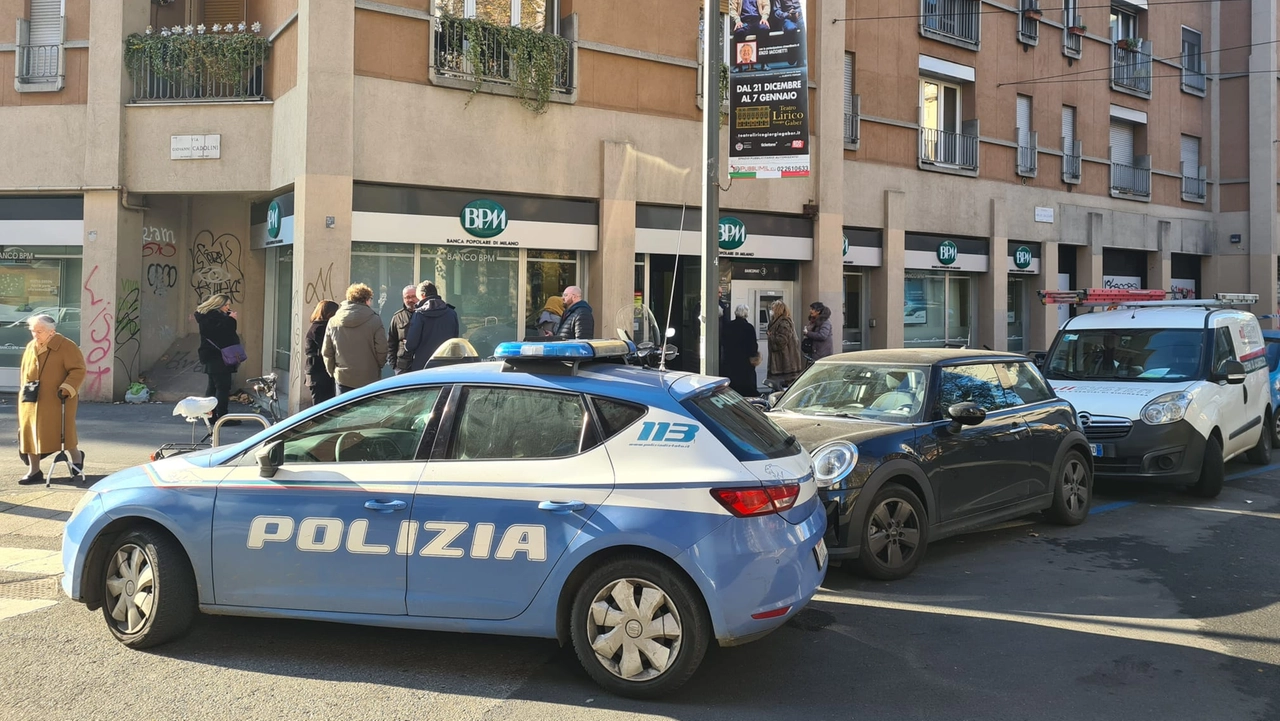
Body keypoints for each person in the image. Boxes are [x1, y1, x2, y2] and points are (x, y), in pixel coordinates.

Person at [18, 314, 86, 485]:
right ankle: (34, 471)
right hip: (31, 398)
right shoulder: (30, 347)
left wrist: (67, 388)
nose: (35, 334)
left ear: (51, 331)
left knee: (62, 431)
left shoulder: (66, 346)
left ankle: (76, 458)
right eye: (33, 331)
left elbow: (78, 370)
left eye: (39, 331)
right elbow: (24, 372)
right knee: (30, 432)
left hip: (57, 398)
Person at [323, 283, 388, 394]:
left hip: (343, 377)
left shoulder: (333, 321)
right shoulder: (375, 320)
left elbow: (327, 351)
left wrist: (333, 372)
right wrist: (378, 367)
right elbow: (382, 349)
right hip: (369, 376)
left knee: (344, 410)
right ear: (367, 300)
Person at [195, 293, 242, 426]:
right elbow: (223, 335)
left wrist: (228, 319)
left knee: (213, 387)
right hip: (218, 356)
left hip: (211, 356)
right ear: (218, 305)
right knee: (222, 387)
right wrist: (232, 320)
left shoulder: (208, 317)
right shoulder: (214, 318)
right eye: (226, 305)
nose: (228, 308)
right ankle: (222, 417)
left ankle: (210, 415)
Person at [404, 281, 461, 371]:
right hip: (447, 364)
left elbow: (411, 345)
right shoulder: (451, 313)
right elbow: (455, 338)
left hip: (423, 365)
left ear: (422, 295)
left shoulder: (419, 314)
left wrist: (406, 344)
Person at [304, 299, 339, 405]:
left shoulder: (317, 326)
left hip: (317, 371)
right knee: (322, 407)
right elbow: (326, 349)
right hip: (319, 372)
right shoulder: (320, 328)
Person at [722, 305, 761, 397]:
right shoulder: (749, 327)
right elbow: (753, 346)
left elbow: (723, 342)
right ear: (746, 314)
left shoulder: (728, 326)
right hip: (745, 364)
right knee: (747, 388)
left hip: (730, 362)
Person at [766, 299, 803, 389]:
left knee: (783, 389)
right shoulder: (777, 322)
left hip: (785, 364)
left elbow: (781, 341)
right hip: (782, 363)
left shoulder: (784, 322)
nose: (771, 311)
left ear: (778, 310)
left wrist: (771, 336)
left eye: (773, 308)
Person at [386, 284, 419, 374]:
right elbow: (391, 343)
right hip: (402, 367)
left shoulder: (425, 315)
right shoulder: (397, 317)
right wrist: (394, 366)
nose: (410, 300)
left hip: (421, 366)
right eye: (407, 297)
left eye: (413, 296)